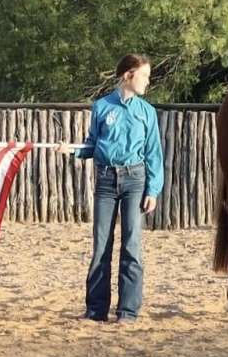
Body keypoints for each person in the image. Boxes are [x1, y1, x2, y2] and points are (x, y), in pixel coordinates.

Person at [56, 54, 163, 323]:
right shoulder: (102, 107)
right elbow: (92, 144)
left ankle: (127, 311)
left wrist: (153, 189)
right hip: (105, 180)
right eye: (145, 76)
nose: (147, 82)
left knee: (132, 245)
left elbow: (153, 153)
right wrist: (73, 151)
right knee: (101, 244)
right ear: (128, 75)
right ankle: (96, 310)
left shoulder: (146, 112)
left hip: (135, 180)